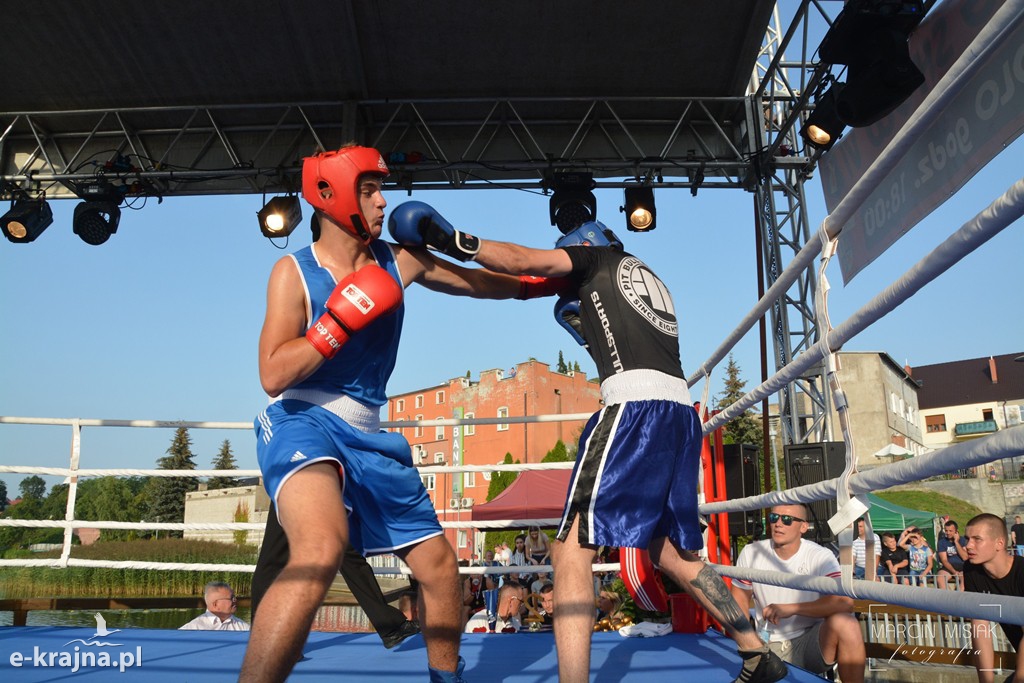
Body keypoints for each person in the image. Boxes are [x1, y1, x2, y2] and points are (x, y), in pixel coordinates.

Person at [388, 206, 785, 683]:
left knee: (572, 548)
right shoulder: (642, 274)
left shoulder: (593, 260)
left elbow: (518, 261)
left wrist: (453, 240)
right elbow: (506, 287)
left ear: (581, 245)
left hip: (634, 409)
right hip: (677, 415)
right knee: (670, 552)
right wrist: (427, 271)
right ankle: (756, 652)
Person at [240, 145, 556, 683]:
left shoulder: (398, 260)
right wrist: (337, 321)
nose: (384, 201)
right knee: (320, 547)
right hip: (302, 419)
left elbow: (477, 283)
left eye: (380, 189)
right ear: (331, 195)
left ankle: (444, 677)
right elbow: (272, 372)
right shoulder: (293, 271)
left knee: (438, 568)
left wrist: (547, 284)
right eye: (369, 190)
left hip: (368, 431)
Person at [251, 503, 420, 649]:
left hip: (304, 479)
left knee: (346, 553)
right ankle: (391, 627)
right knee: (347, 554)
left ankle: (270, 643)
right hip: (302, 479)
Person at [732, 504, 866, 683]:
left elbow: (845, 602)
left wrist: (792, 608)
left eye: (786, 520)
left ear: (803, 527)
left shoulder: (820, 556)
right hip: (765, 644)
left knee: (847, 622)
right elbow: (739, 596)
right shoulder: (752, 552)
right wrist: (748, 639)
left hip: (810, 643)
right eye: (774, 518)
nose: (778, 524)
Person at [963, 513, 1024, 683]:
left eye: (977, 539)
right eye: (967, 539)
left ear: (999, 543)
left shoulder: (1022, 572)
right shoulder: (972, 570)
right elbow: (980, 628)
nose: (968, 545)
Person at [179, 581, 250, 631]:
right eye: (231, 598)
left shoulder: (243, 627)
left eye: (234, 597)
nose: (235, 600)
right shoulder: (193, 628)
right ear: (215, 604)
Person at [936, 519, 969, 590]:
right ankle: (948, 597)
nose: (948, 533)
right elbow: (944, 560)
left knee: (966, 580)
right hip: (948, 567)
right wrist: (954, 572)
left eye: (950, 531)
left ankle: (958, 598)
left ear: (956, 532)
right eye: (946, 530)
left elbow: (965, 557)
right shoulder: (942, 542)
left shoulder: (963, 540)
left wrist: (956, 542)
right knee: (940, 579)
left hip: (962, 567)